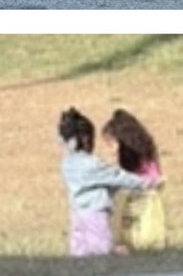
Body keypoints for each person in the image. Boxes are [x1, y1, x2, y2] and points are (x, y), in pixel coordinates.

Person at [59, 107, 158, 257]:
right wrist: (146, 183)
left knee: (79, 253)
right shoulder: (93, 165)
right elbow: (118, 177)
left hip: (77, 213)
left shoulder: (67, 164)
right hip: (96, 214)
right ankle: (121, 254)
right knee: (103, 251)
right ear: (86, 139)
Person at [102, 109, 166, 252]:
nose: (110, 149)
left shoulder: (130, 160)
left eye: (111, 144)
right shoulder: (147, 153)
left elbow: (127, 181)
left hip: (137, 197)